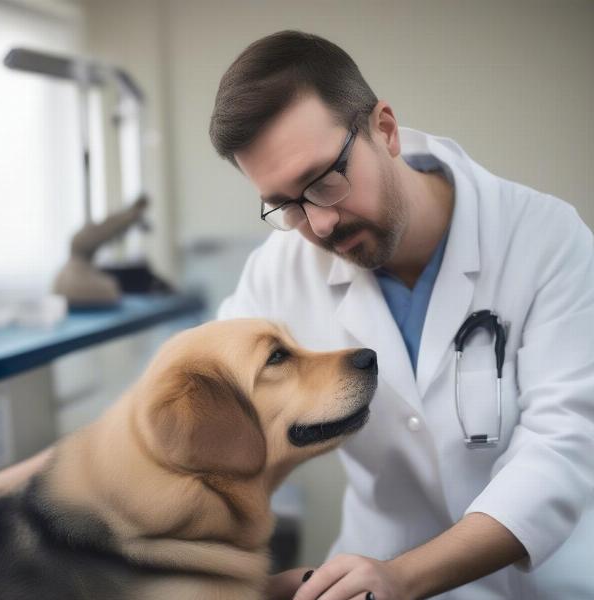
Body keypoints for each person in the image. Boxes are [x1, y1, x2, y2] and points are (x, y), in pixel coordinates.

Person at [209, 31, 594, 599]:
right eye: (288, 204)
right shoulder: (281, 268)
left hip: (538, 581)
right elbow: (209, 397)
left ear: (383, 129)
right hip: (366, 579)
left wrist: (403, 577)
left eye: (323, 182)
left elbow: (564, 448)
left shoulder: (546, 238)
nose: (319, 226)